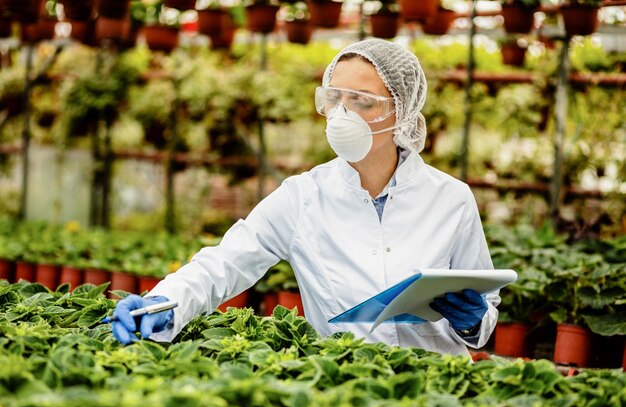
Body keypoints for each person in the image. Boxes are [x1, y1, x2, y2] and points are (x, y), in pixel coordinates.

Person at [111, 38, 499, 357]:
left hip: (439, 385)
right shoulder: (303, 196)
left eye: (362, 101)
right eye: (335, 98)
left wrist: (473, 319)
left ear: (401, 109)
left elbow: (484, 311)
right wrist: (162, 303)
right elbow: (224, 263)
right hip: (345, 387)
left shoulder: (451, 199)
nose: (342, 114)